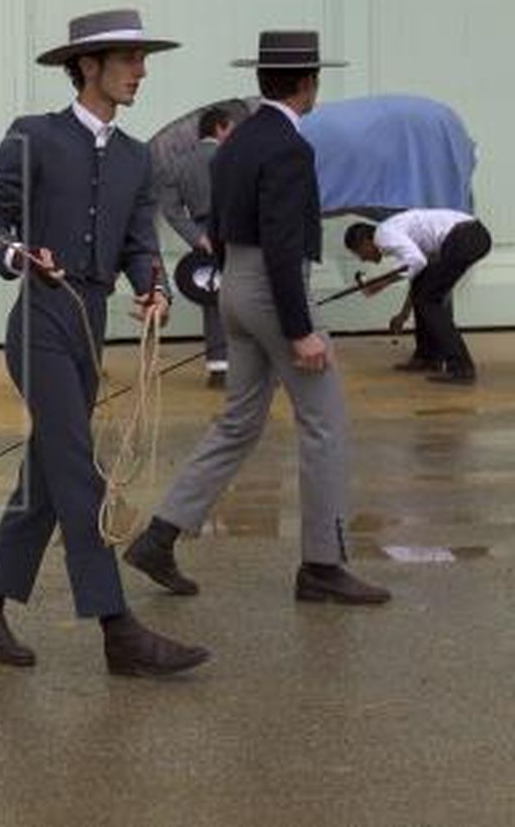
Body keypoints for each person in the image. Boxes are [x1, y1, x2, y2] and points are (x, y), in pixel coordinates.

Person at [0, 8, 210, 677]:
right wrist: (16, 254)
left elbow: (140, 244)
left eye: (142, 59)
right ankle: (117, 628)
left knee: (48, 477)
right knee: (78, 470)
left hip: (90, 327)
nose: (141, 71)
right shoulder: (34, 135)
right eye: (129, 59)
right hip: (39, 322)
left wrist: (155, 287)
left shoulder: (135, 157)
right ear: (88, 66)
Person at [124, 30, 390, 606]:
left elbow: (218, 223)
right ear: (308, 83)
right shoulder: (289, 147)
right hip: (275, 288)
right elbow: (282, 239)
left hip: (236, 287)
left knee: (238, 423)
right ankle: (322, 564)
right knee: (325, 423)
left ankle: (159, 537)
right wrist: (300, 330)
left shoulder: (236, 140)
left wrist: (233, 286)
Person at [344, 211, 492, 384]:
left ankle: (461, 368)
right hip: (472, 235)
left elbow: (417, 262)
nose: (362, 259)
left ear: (366, 241)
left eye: (359, 252)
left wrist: (382, 283)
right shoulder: (399, 234)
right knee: (425, 295)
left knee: (429, 301)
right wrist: (403, 315)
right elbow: (418, 282)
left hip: (466, 236)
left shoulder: (383, 235)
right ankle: (427, 358)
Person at [156, 106, 235, 386]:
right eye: (232, 129)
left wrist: (197, 237)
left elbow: (171, 209)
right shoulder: (234, 157)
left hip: (203, 235)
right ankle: (252, 366)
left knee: (213, 300)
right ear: (220, 128)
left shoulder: (181, 163)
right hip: (238, 233)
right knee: (251, 297)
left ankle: (218, 367)